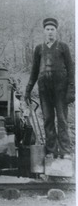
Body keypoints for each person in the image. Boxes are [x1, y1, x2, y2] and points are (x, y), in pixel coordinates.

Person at [25, 18, 75, 159]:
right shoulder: (39, 49)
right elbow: (34, 71)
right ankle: (51, 151)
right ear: (44, 32)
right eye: (47, 29)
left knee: (62, 120)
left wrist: (71, 89)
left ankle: (65, 151)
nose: (50, 32)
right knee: (48, 119)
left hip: (61, 91)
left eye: (52, 29)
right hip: (44, 91)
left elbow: (71, 69)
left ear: (56, 31)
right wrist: (28, 90)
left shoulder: (63, 47)